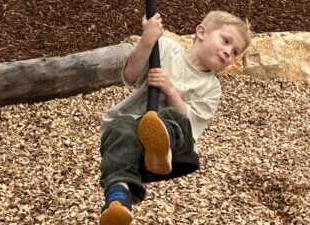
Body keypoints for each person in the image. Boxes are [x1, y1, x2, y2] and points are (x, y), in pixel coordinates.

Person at [99, 11, 251, 225]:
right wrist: (147, 39)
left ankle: (161, 143)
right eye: (225, 41)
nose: (228, 52)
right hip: (129, 132)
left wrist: (171, 90)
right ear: (201, 32)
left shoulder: (211, 88)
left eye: (235, 52)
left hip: (174, 146)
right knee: (121, 126)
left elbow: (190, 122)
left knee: (175, 117)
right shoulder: (166, 49)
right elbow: (130, 75)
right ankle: (118, 202)